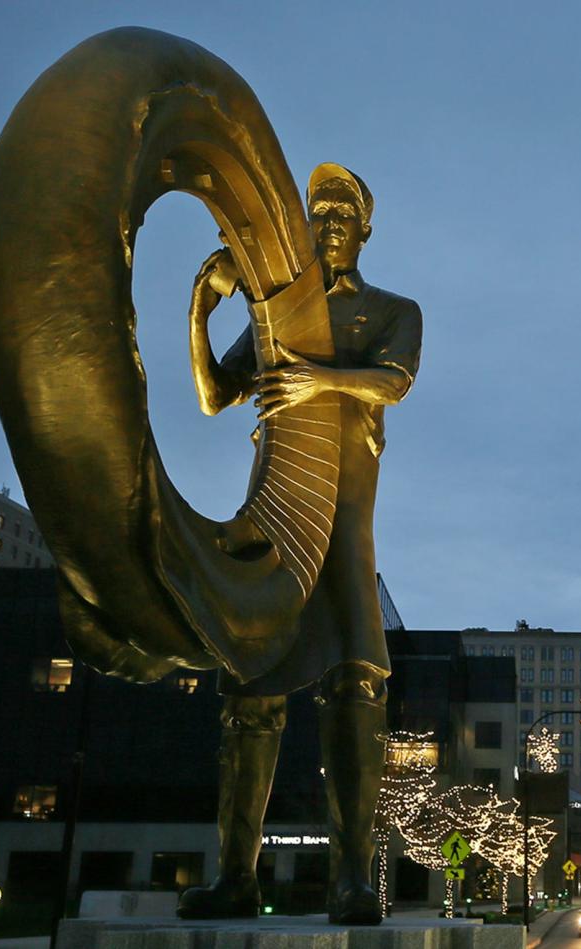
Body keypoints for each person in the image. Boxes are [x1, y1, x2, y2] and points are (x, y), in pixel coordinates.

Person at [177, 163, 422, 925]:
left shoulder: (391, 310)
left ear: (366, 229)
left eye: (345, 214)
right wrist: (201, 304)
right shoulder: (279, 315)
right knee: (249, 691)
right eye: (320, 216)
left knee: (354, 680)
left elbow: (394, 381)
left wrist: (315, 379)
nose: (332, 225)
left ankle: (351, 878)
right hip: (278, 518)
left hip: (345, 520)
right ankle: (237, 876)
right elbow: (215, 395)